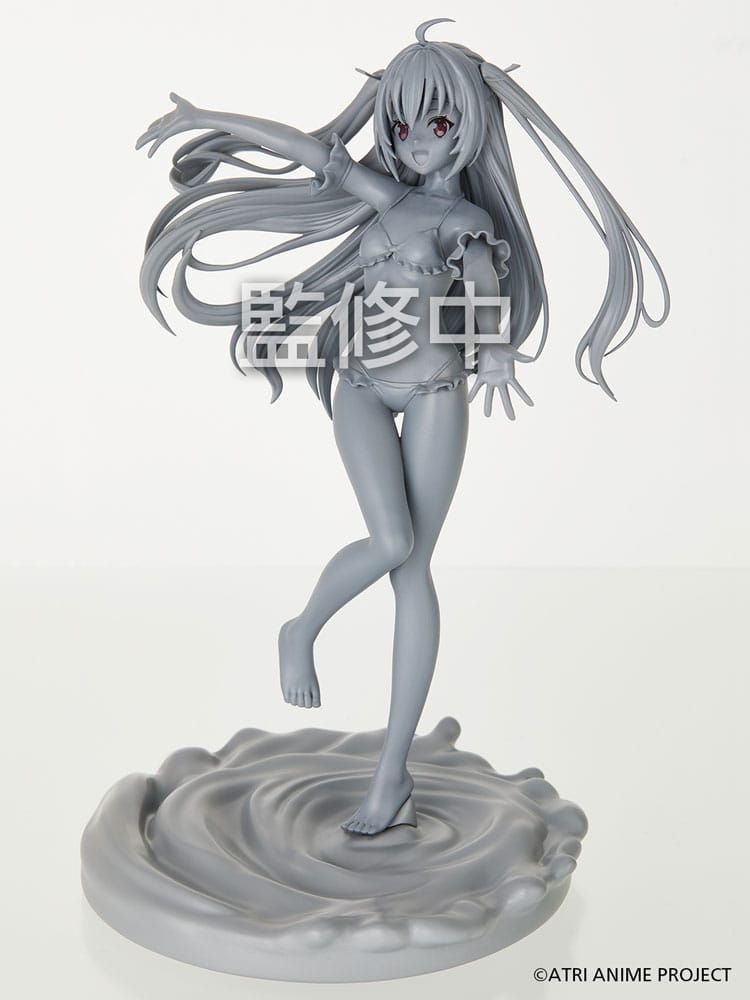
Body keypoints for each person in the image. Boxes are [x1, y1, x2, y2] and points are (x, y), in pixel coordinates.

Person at [137, 19, 669, 835]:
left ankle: (392, 778)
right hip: (360, 385)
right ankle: (302, 628)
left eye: (438, 121)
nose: (416, 139)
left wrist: (495, 349)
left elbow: (484, 281)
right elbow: (312, 151)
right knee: (391, 541)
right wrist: (208, 119)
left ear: (468, 128)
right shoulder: (389, 198)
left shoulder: (463, 221)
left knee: (410, 564)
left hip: (433, 394)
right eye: (401, 121)